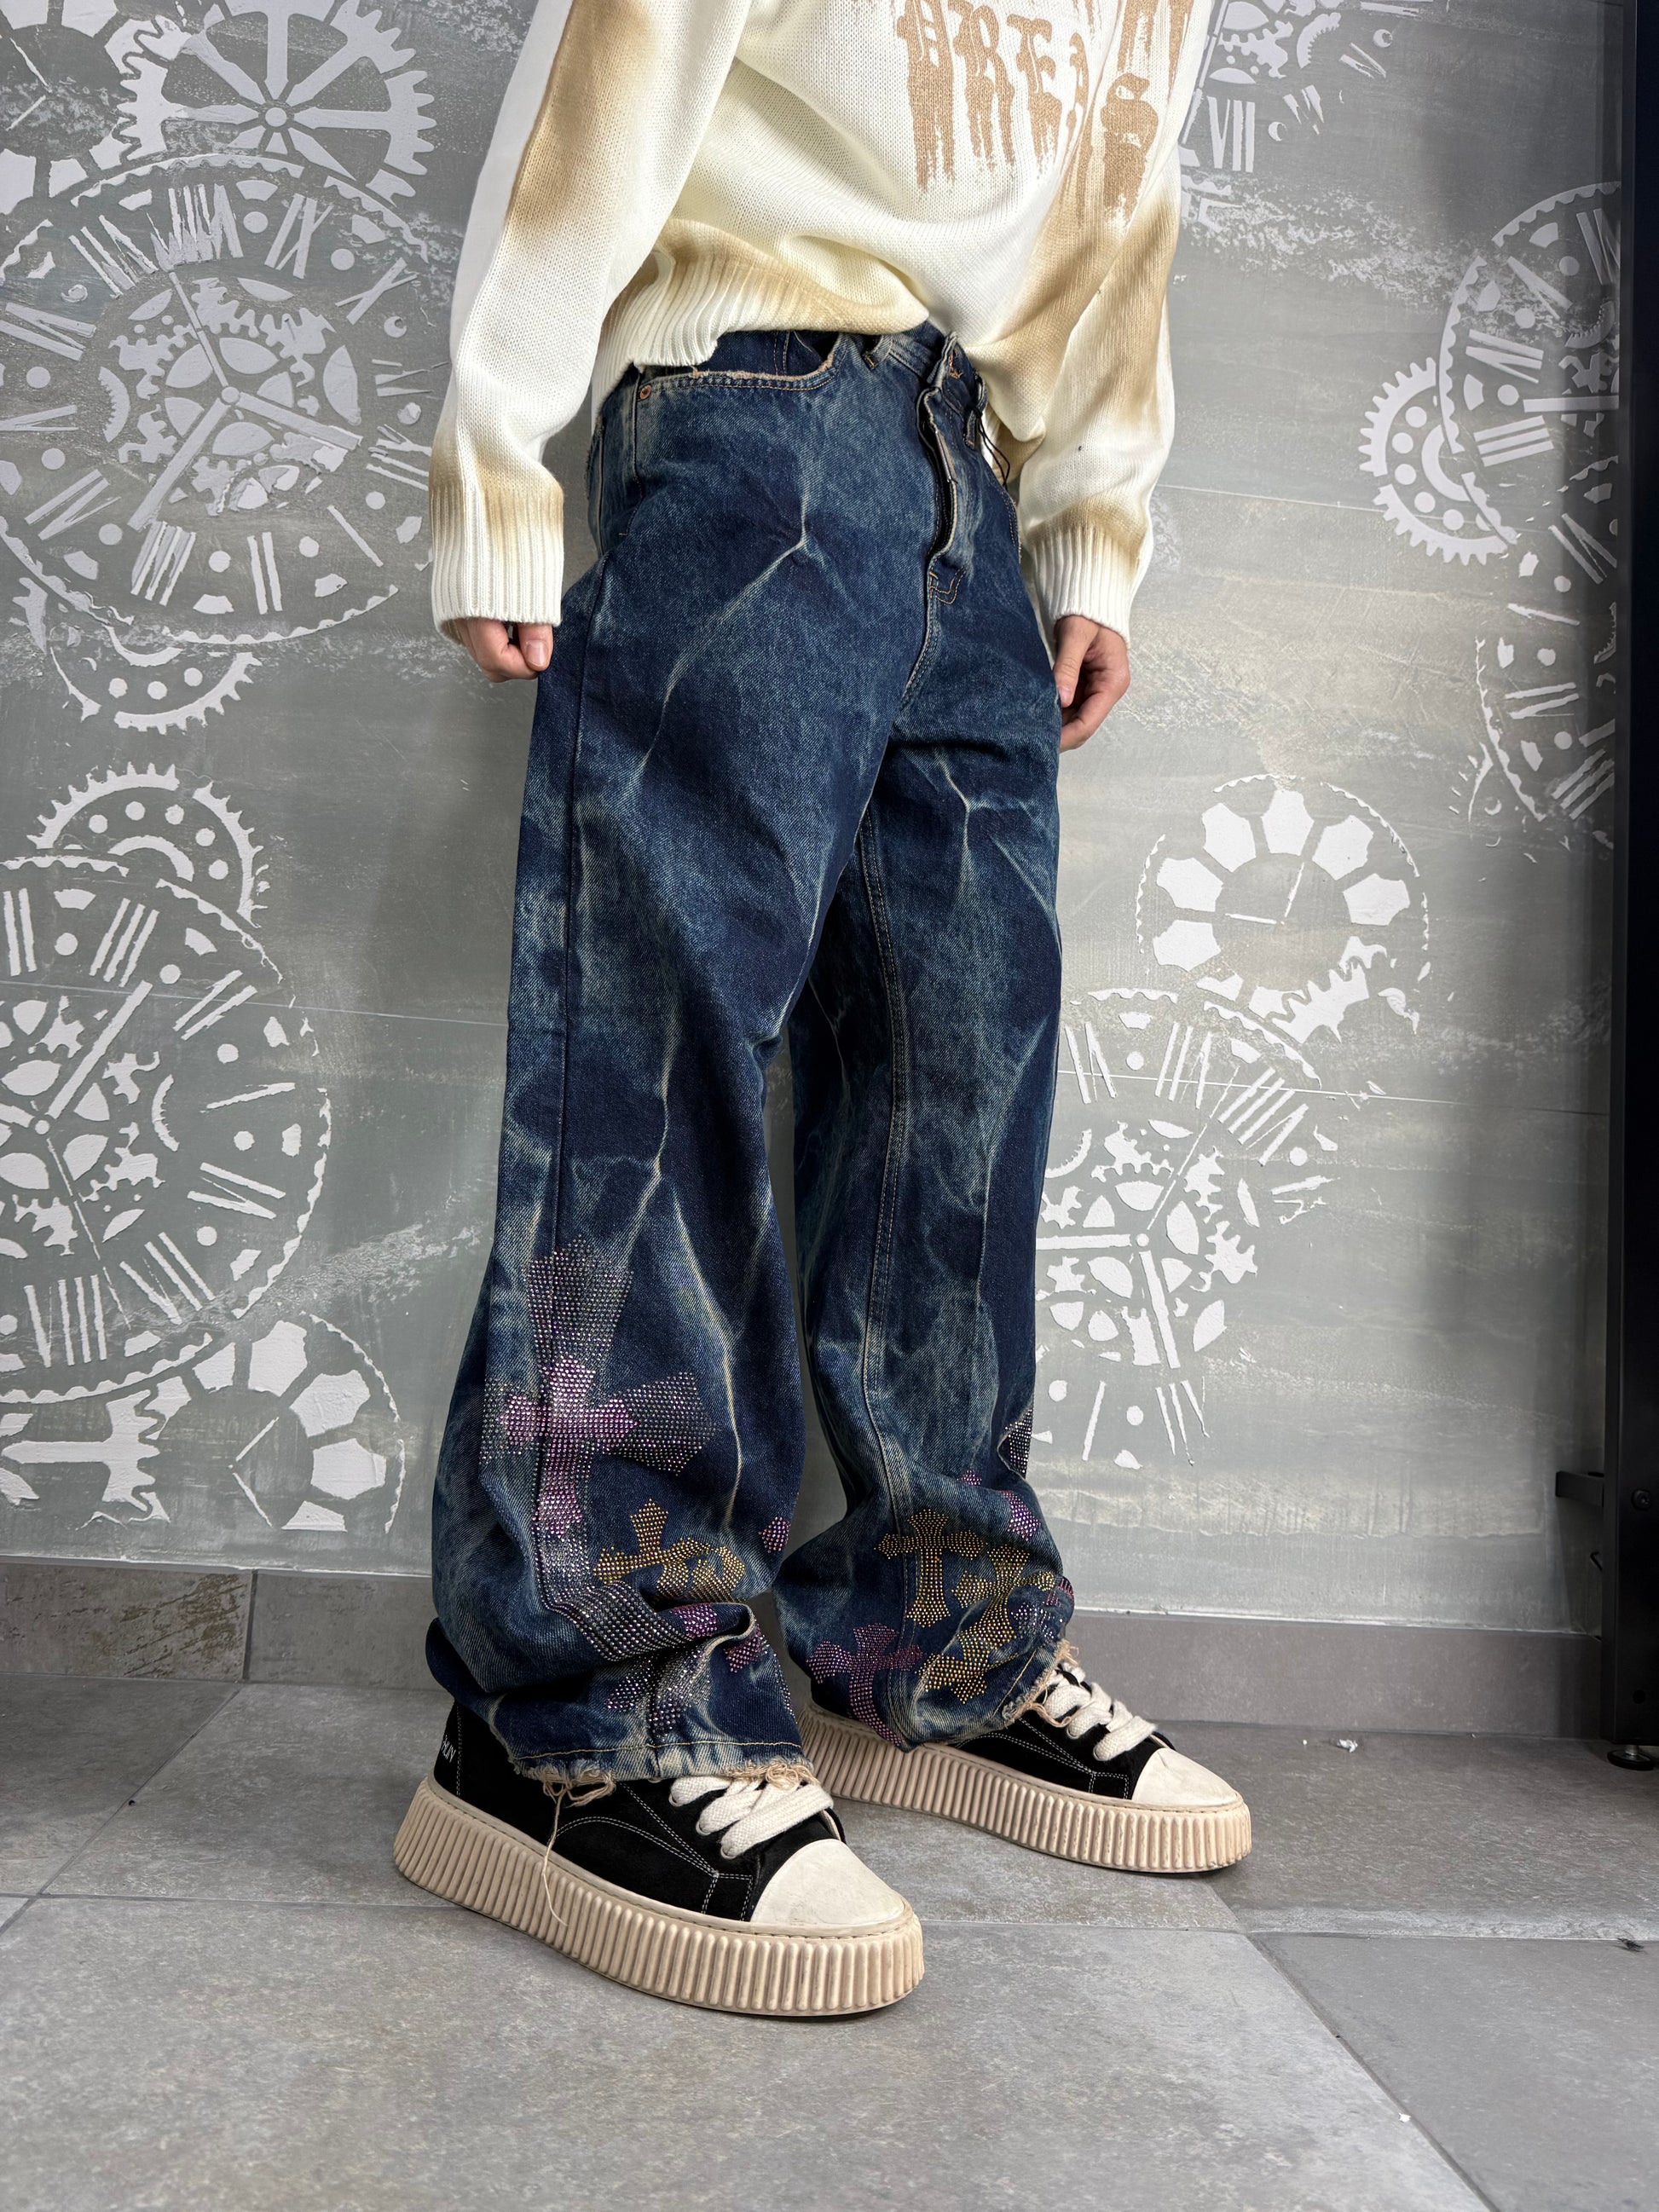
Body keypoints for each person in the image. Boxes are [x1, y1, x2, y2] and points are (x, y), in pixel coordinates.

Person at [395, 0, 1247, 2018]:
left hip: (975, 472)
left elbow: (1118, 187)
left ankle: (928, 1639)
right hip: (746, 400)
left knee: (964, 1069)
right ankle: (573, 1710)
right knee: (658, 1039)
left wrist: (1089, 518)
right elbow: (617, 50)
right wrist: (498, 443)